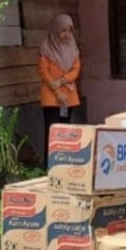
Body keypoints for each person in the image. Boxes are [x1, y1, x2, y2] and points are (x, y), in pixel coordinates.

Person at [38, 13, 81, 160]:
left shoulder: (72, 47)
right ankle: (50, 163)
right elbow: (44, 73)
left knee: (66, 130)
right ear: (55, 30)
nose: (67, 34)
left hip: (68, 95)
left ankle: (64, 160)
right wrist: (57, 91)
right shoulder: (46, 48)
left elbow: (76, 69)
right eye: (63, 30)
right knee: (52, 130)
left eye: (69, 30)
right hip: (51, 97)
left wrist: (63, 80)